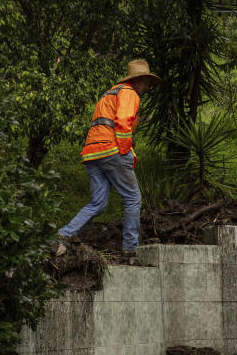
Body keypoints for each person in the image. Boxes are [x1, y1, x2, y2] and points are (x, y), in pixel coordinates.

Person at [57, 59, 162, 255]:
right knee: (132, 198)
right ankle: (130, 249)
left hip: (92, 152)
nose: (146, 87)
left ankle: (63, 234)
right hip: (112, 150)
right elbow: (122, 122)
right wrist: (125, 151)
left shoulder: (109, 93)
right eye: (146, 82)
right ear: (137, 80)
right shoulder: (129, 93)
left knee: (98, 203)